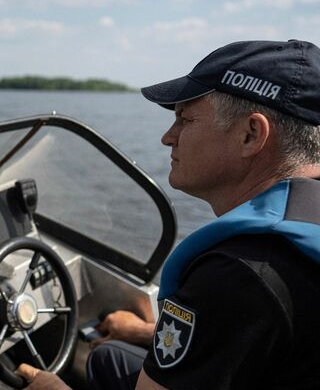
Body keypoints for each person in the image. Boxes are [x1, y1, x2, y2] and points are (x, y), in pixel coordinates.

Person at [17, 39, 320, 389]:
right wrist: (146, 331)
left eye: (185, 120)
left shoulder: (241, 275)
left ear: (250, 135)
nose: (167, 137)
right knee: (109, 355)